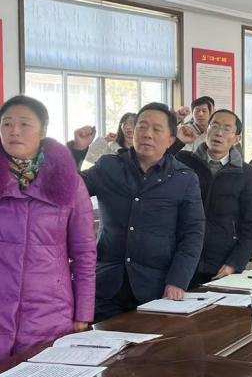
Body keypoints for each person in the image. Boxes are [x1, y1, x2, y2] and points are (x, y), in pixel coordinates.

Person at [0, 95, 96, 371]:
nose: (14, 130)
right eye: (7, 123)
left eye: (24, 123)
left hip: (47, 310)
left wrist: (84, 313)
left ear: (43, 131)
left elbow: (84, 253)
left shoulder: (69, 183)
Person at [81, 102, 205, 321]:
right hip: (107, 286)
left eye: (157, 129)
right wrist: (78, 149)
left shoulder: (184, 178)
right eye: (142, 126)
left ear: (171, 140)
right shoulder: (109, 167)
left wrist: (177, 281)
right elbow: (69, 189)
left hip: (156, 287)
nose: (147, 134)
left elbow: (193, 234)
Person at [174, 109, 252, 288]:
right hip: (181, 258)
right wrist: (178, 141)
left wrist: (235, 263)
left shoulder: (246, 173)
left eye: (227, 129)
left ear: (236, 139)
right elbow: (155, 160)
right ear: (206, 130)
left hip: (222, 264)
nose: (219, 133)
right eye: (214, 125)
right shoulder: (184, 162)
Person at [68, 112, 136, 168]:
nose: (128, 127)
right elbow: (89, 159)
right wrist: (106, 140)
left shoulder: (140, 150)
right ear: (121, 127)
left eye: (131, 123)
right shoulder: (111, 148)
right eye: (125, 123)